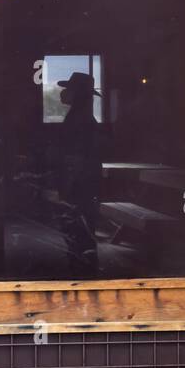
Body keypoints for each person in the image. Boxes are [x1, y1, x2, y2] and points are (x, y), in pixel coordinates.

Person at [56, 70, 103, 274]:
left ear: (78, 93)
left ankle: (81, 268)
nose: (63, 93)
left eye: (69, 89)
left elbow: (79, 157)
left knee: (78, 225)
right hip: (82, 180)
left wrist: (67, 184)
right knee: (80, 226)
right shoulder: (82, 117)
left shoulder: (79, 119)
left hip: (79, 181)